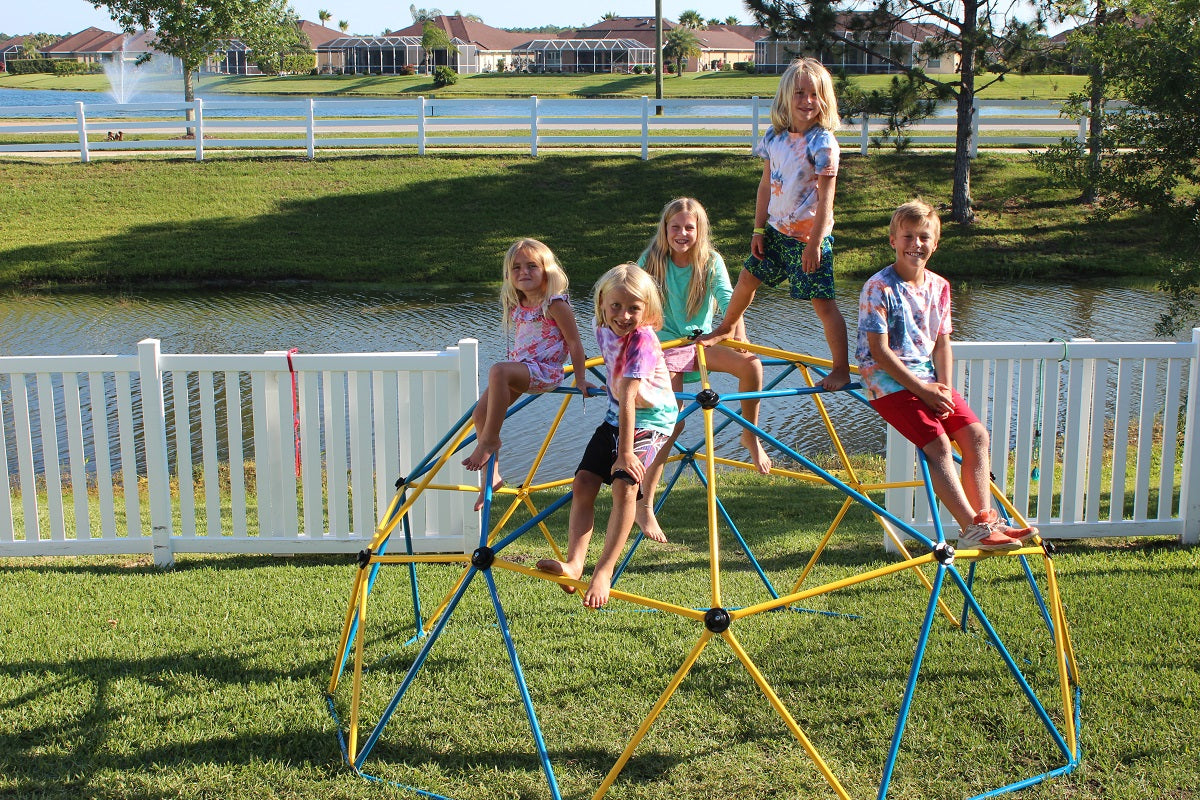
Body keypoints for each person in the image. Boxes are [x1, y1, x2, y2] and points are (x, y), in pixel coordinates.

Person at [856, 200, 1038, 550]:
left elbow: (942, 344)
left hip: (927, 380)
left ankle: (988, 520)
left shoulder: (939, 286)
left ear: (935, 243)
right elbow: (879, 351)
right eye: (907, 236)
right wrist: (924, 391)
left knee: (977, 436)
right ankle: (972, 530)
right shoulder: (879, 287)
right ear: (893, 240)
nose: (916, 244)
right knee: (938, 445)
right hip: (886, 380)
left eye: (924, 237)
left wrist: (945, 391)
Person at [700, 57, 851, 392]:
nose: (807, 101)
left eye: (815, 94)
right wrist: (757, 229)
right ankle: (727, 327)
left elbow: (827, 199)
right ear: (786, 97)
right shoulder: (774, 137)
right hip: (775, 232)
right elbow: (766, 186)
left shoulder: (822, 143)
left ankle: (841, 368)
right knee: (747, 278)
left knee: (823, 305)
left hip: (808, 239)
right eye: (800, 93)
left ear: (824, 99)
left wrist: (814, 243)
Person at [537, 264, 677, 608]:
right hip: (617, 416)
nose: (624, 315)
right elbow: (609, 379)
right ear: (602, 304)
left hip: (651, 420)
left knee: (625, 485)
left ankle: (603, 570)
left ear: (647, 310)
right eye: (615, 306)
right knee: (583, 481)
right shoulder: (604, 330)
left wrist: (626, 453)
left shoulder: (643, 339)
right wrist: (581, 377)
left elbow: (631, 395)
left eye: (634, 308)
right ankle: (574, 564)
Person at [634, 197, 771, 544]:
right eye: (675, 227)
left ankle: (749, 435)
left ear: (700, 230)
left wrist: (737, 335)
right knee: (671, 421)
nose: (682, 234)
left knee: (752, 367)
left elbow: (730, 302)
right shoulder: (652, 260)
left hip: (700, 343)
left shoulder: (710, 261)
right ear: (665, 229)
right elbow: (632, 295)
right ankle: (643, 502)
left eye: (689, 228)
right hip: (664, 349)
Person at [462, 238, 592, 510]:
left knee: (497, 370)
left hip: (545, 372)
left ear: (548, 270)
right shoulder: (517, 302)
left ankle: (489, 440)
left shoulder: (554, 303)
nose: (524, 272)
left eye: (532, 266)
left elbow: (576, 343)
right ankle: (492, 474)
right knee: (480, 414)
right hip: (521, 372)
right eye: (517, 267)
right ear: (509, 274)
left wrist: (580, 378)